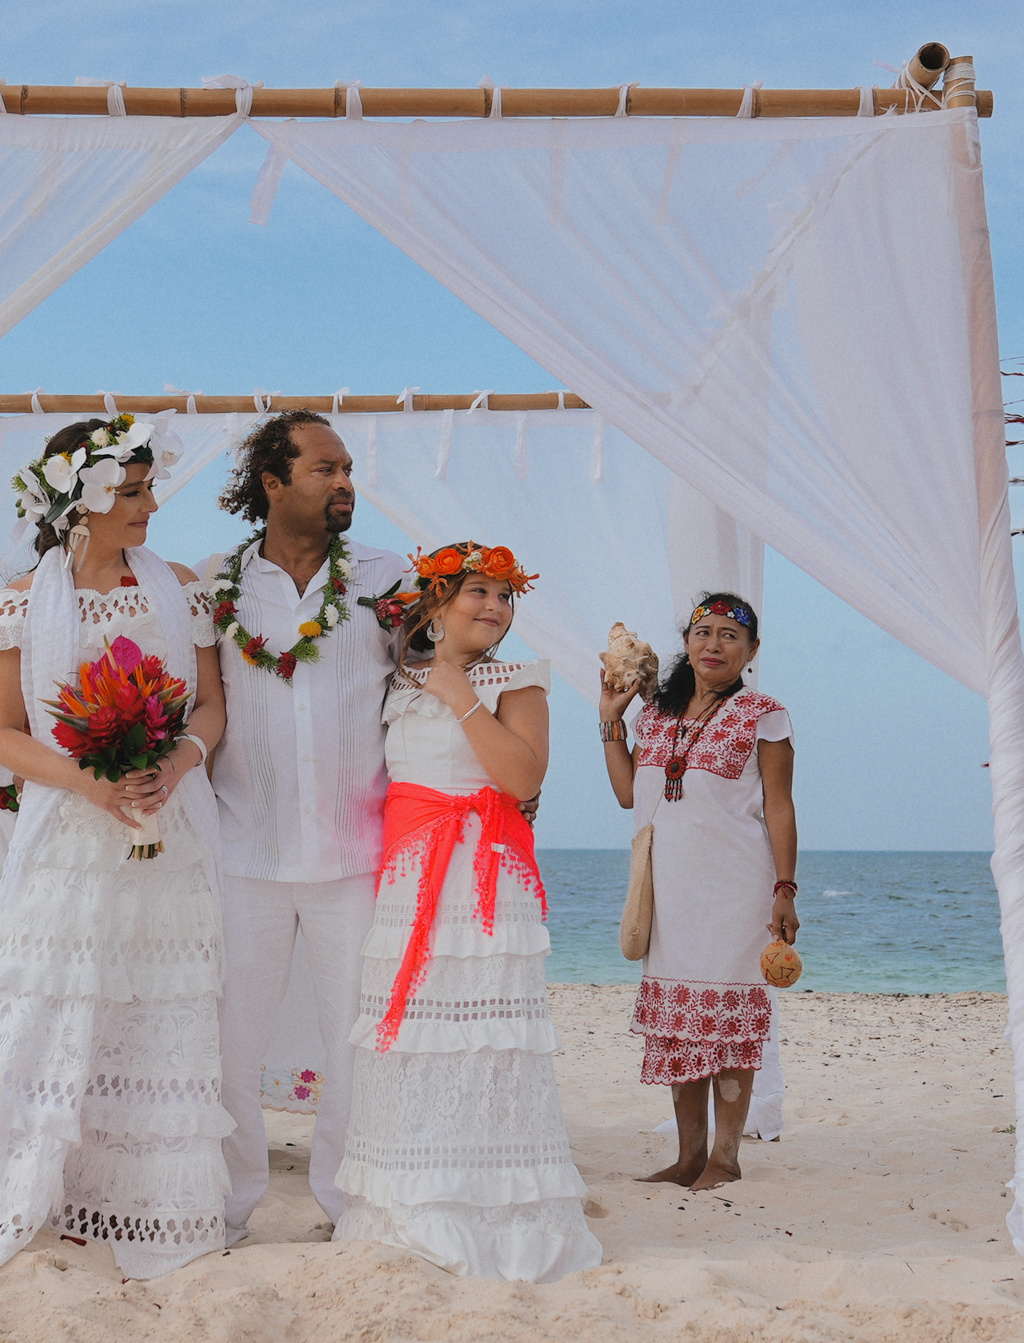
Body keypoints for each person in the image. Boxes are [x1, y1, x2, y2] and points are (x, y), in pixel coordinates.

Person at [334, 541, 602, 1282]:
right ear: (436, 602)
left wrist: (462, 694)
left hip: (483, 880)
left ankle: (493, 1209)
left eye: (505, 595)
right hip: (409, 879)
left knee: (484, 1045)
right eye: (477, 592)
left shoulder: (519, 679)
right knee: (412, 1041)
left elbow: (520, 776)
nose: (494, 606)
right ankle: (406, 1201)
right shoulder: (393, 676)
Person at [0, 416, 229, 1278]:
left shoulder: (180, 586)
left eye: (146, 487)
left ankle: (142, 1202)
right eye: (129, 491)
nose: (148, 504)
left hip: (170, 821)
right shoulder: (23, 597)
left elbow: (210, 705)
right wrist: (92, 783)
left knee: (160, 1006)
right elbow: (4, 730)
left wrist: (171, 766)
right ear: (80, 502)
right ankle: (46, 1192)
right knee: (51, 1003)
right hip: (67, 827)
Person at [206, 410, 406, 1244]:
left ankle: (349, 1204)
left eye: (349, 467)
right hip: (241, 848)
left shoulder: (392, 580)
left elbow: (448, 669)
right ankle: (223, 1206)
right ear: (274, 482)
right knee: (226, 1042)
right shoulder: (214, 586)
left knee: (356, 1044)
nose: (345, 481)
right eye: (326, 468)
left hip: (358, 855)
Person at [600, 592, 797, 1190]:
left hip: (737, 891)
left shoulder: (765, 714)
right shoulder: (656, 713)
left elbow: (781, 808)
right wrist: (612, 716)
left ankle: (726, 1158)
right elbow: (629, 795)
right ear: (687, 642)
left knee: (728, 1024)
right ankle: (688, 1157)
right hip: (670, 893)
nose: (714, 645)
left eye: (729, 636)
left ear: (751, 650)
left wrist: (785, 889)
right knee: (680, 1024)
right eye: (703, 632)